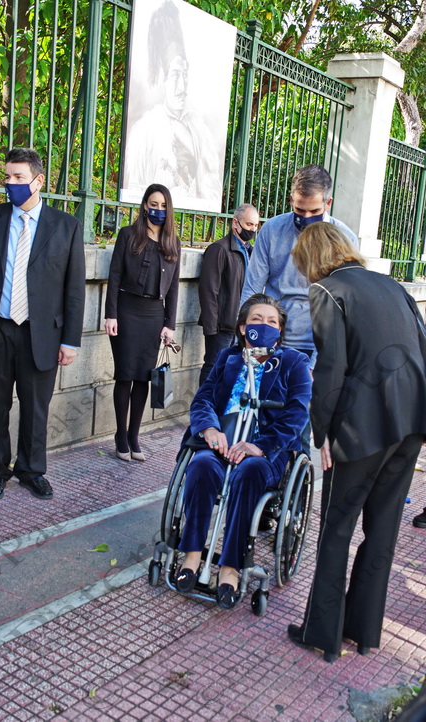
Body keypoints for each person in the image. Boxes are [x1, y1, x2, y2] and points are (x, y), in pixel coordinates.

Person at [287, 222, 426, 662]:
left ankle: (322, 635)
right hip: (411, 421)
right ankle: (363, 632)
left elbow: (331, 369)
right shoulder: (393, 285)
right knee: (382, 530)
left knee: (336, 530)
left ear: (311, 260)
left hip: (361, 426)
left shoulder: (327, 291)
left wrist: (322, 433)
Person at [0, 147, 86, 501]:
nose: (10, 183)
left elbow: (74, 289)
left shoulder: (66, 226)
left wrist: (70, 340)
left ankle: (31, 471)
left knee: (35, 409)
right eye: (7, 177)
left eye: (19, 177)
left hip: (41, 333)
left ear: (38, 181)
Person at [176, 294, 311, 609]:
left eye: (272, 322)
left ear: (280, 330)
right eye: (256, 320)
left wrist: (260, 446)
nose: (264, 326)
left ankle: (231, 567)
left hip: (265, 452)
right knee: (201, 466)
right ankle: (192, 554)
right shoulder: (228, 357)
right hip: (223, 441)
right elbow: (204, 398)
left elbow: (297, 414)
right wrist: (210, 429)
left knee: (248, 474)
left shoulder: (294, 362)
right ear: (241, 327)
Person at [240, 164, 358, 362]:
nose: (306, 218)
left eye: (314, 211)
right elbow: (252, 287)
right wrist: (245, 336)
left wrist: (317, 361)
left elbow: (343, 304)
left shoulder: (345, 238)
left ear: (328, 203)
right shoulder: (272, 230)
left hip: (320, 343)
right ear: (291, 200)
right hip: (273, 338)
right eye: (300, 210)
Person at [104, 183, 181, 462]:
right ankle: (120, 436)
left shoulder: (173, 243)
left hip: (153, 316)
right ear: (145, 205)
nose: (158, 209)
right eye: (153, 204)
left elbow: (173, 288)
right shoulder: (128, 235)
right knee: (125, 375)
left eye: (163, 206)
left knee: (143, 378)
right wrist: (110, 314)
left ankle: (134, 436)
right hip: (126, 312)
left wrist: (169, 324)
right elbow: (114, 276)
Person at [122, 0, 222, 210]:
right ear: (164, 79)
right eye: (176, 74)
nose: (182, 85)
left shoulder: (200, 131)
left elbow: (210, 186)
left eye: (185, 74)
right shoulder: (144, 131)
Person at [198, 204, 259, 386]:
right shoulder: (219, 249)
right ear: (235, 223)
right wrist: (211, 327)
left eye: (256, 225)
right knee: (213, 368)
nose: (252, 230)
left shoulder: (251, 252)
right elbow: (208, 290)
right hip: (222, 326)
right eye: (249, 224)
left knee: (234, 371)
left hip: (243, 325)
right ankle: (205, 403)